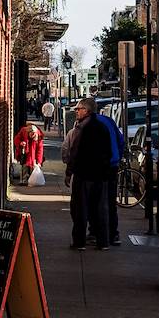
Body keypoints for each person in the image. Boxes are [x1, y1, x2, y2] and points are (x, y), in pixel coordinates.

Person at [64, 98, 113, 250]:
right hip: (101, 175)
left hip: (83, 175)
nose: (76, 111)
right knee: (100, 210)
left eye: (78, 109)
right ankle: (103, 242)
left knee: (80, 209)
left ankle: (79, 242)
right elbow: (109, 152)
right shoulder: (103, 127)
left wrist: (69, 173)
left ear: (87, 110)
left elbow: (74, 152)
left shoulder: (81, 128)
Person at [95, 105, 125, 246]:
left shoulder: (88, 124)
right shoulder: (109, 121)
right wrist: (117, 157)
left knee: (95, 201)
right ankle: (113, 234)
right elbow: (121, 141)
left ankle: (98, 233)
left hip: (97, 167)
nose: (77, 112)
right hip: (112, 165)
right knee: (110, 201)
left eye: (79, 109)